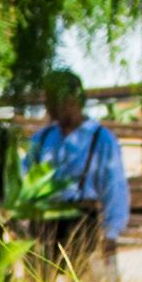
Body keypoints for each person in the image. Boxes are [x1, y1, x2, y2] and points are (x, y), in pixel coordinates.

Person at [22, 70, 130, 249]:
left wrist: (111, 233)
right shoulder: (42, 139)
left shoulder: (101, 139)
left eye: (53, 102)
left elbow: (114, 187)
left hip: (81, 224)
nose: (49, 109)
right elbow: (24, 177)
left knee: (79, 267)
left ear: (72, 101)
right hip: (43, 224)